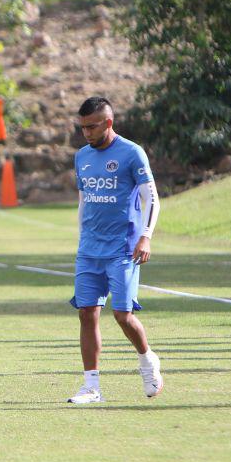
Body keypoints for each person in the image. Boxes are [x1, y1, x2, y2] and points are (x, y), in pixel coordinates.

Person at [67, 96, 163, 405]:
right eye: (82, 128)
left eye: (92, 127)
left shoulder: (132, 154)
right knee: (86, 313)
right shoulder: (81, 157)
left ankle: (148, 360)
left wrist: (146, 236)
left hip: (123, 249)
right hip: (89, 250)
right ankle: (91, 387)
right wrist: (82, 237)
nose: (87, 134)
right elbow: (85, 200)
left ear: (108, 123)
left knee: (122, 316)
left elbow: (152, 199)